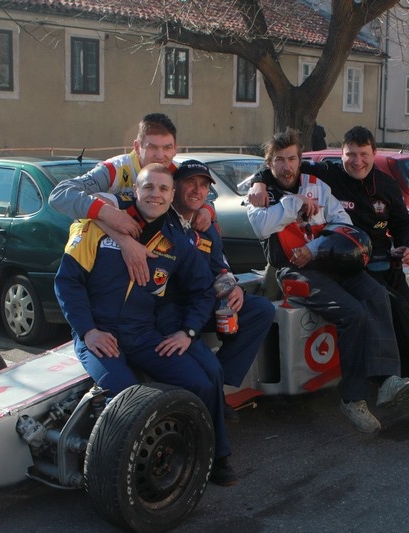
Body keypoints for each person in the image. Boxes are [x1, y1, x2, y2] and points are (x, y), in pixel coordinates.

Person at [249, 126, 409, 439]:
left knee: (408, 328)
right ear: (340, 155)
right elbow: (279, 172)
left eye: (363, 155)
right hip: (342, 262)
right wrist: (261, 179)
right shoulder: (326, 175)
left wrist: (406, 245)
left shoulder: (386, 185)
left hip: (382, 263)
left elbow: (403, 225)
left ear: (374, 154)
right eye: (350, 154)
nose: (356, 161)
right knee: (383, 316)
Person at [54, 163, 237, 486]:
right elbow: (67, 283)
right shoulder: (97, 225)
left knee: (202, 383)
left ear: (171, 196)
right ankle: (115, 478)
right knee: (127, 394)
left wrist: (188, 332)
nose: (156, 194)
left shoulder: (178, 241)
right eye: (148, 187)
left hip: (144, 335)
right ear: (135, 190)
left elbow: (201, 291)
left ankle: (211, 457)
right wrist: (88, 330)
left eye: (163, 189)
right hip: (99, 336)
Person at [157, 159, 276, 420]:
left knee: (260, 310)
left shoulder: (207, 226)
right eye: (190, 183)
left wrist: (232, 289)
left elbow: (220, 269)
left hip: (204, 304)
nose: (197, 190)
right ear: (175, 187)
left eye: (203, 186)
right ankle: (212, 397)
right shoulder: (162, 221)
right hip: (172, 310)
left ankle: (217, 384)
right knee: (202, 360)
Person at [48, 113, 214, 287]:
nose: (160, 155)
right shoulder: (115, 169)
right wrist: (107, 214)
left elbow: (201, 197)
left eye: (167, 148)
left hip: (155, 258)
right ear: (137, 146)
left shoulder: (175, 171)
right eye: (152, 147)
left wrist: (207, 210)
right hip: (100, 257)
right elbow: (59, 195)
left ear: (175, 149)